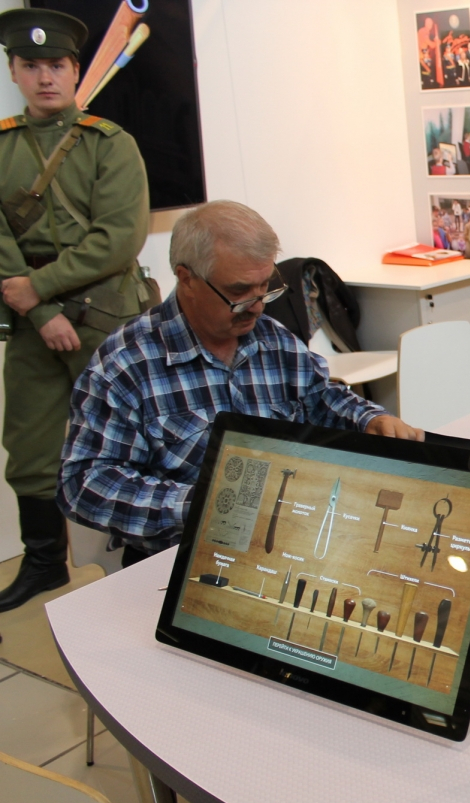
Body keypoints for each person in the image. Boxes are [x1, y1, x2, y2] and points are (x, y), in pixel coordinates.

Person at [58, 201, 424, 565]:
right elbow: (84, 483)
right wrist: (206, 503)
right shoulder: (126, 363)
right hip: (180, 555)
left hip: (285, 539)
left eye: (265, 287)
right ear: (187, 279)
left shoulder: (272, 338)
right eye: (239, 291)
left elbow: (320, 397)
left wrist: (369, 419)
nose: (257, 306)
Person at [0, 9, 150, 612]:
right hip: (31, 322)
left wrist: (38, 288)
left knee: (133, 439)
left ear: (74, 69)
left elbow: (118, 239)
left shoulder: (109, 144)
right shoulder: (3, 146)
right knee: (29, 447)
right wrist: (39, 311)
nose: (45, 78)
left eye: (57, 65)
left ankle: (142, 558)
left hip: (105, 317)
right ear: (13, 71)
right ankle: (44, 564)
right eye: (31, 65)